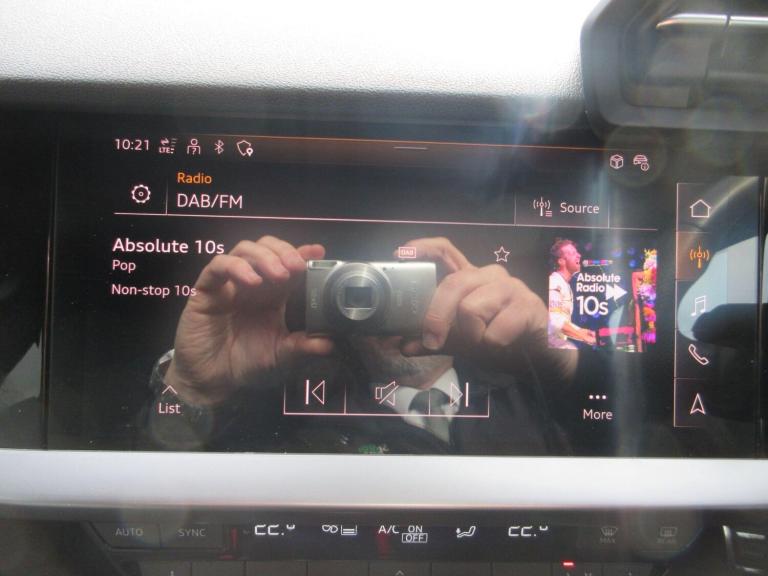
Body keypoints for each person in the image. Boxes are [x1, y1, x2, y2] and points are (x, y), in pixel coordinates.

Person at [143, 235, 576, 453]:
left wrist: (555, 348)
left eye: (403, 288)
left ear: (459, 290)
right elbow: (161, 502)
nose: (380, 306)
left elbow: (611, 429)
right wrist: (193, 387)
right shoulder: (304, 413)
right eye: (359, 292)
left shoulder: (525, 386)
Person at [548, 239, 596, 349]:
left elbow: (562, 321)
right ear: (561, 261)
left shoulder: (564, 284)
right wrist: (583, 337)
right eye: (573, 253)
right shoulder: (554, 282)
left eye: (577, 252)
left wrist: (582, 332)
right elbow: (555, 321)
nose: (579, 255)